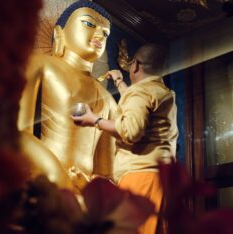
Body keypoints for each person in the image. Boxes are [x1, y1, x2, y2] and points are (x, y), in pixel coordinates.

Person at [71, 43, 178, 234]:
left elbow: (130, 130)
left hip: (141, 179)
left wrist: (95, 120)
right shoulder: (162, 92)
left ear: (135, 65)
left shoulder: (141, 93)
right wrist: (120, 83)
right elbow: (137, 106)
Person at [17, 0, 117, 192]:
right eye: (89, 24)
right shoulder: (41, 65)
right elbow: (19, 133)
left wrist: (95, 189)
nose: (99, 35)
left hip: (83, 192)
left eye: (105, 33)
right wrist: (57, 175)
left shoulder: (108, 98)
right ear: (58, 32)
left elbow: (106, 173)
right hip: (46, 180)